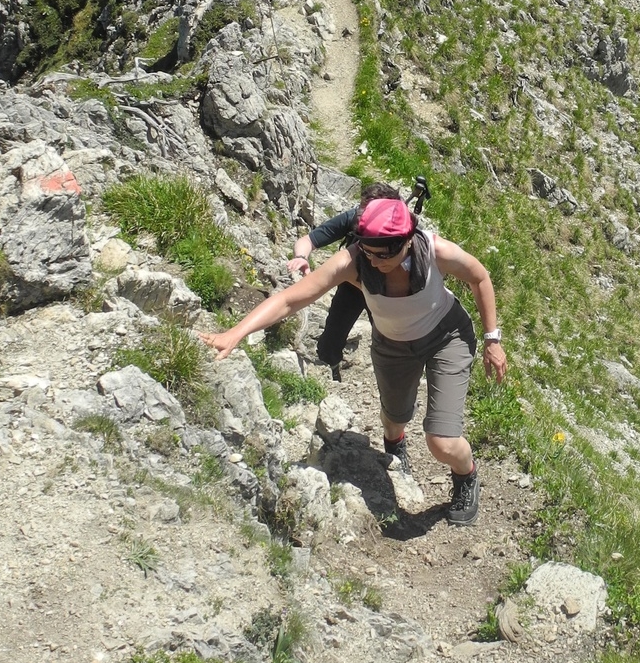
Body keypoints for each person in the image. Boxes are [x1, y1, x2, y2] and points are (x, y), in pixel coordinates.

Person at [200, 192, 506, 527]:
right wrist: (236, 333)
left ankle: (466, 475)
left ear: (406, 241)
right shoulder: (354, 260)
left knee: (442, 442)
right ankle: (395, 446)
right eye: (367, 252)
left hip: (447, 337)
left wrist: (492, 339)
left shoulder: (435, 251)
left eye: (381, 255)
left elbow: (479, 277)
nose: (372, 261)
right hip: (392, 345)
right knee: (394, 418)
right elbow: (290, 300)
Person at [289, 181, 424, 379]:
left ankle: (399, 382)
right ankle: (330, 372)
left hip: (388, 294)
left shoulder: (404, 232)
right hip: (354, 287)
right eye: (363, 210)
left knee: (394, 341)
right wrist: (301, 257)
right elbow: (308, 240)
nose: (364, 218)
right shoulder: (353, 218)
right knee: (332, 338)